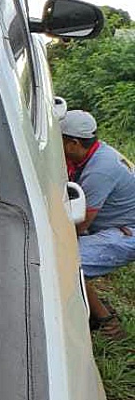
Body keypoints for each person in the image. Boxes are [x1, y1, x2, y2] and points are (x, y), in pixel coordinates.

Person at [61, 110, 135, 339]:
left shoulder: (100, 170)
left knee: (68, 261)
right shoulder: (93, 155)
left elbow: (80, 224)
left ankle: (106, 322)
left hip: (127, 232)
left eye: (60, 141)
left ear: (74, 142)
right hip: (115, 224)